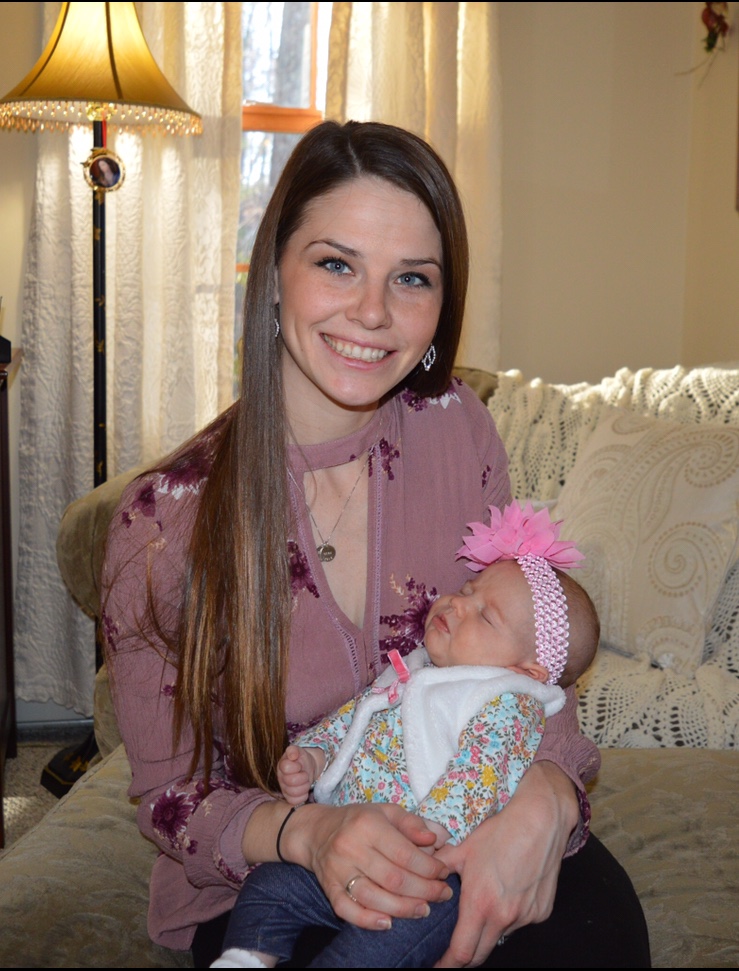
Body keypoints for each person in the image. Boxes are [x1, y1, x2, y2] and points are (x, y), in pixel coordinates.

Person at [102, 120, 650, 969]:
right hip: (275, 875)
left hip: (464, 820)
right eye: (336, 263)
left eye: (411, 278)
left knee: (600, 933)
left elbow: (524, 650)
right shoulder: (161, 522)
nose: (372, 312)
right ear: (272, 273)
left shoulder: (457, 428)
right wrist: (309, 832)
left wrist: (545, 795)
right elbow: (169, 795)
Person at [211, 505, 600, 968]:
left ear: (527, 670)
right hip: (340, 850)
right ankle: (244, 958)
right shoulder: (414, 668)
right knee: (268, 886)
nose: (457, 604)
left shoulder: (508, 704)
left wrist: (427, 836)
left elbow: (479, 776)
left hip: (427, 870)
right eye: (466, 590)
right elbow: (357, 717)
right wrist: (314, 755)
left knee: (387, 942)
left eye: (485, 616)